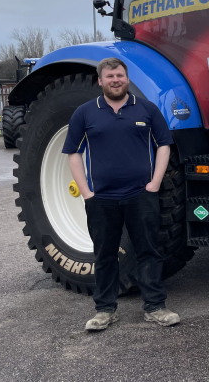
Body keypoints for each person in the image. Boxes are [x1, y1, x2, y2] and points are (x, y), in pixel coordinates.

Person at [63, 57, 180, 331]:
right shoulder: (85, 113)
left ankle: (155, 307)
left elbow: (164, 145)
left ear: (126, 79)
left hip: (141, 195)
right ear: (100, 81)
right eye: (110, 76)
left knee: (148, 251)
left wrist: (155, 183)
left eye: (120, 75)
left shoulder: (147, 109)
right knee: (104, 255)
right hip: (101, 199)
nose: (115, 80)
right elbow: (73, 153)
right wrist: (86, 192)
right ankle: (105, 310)